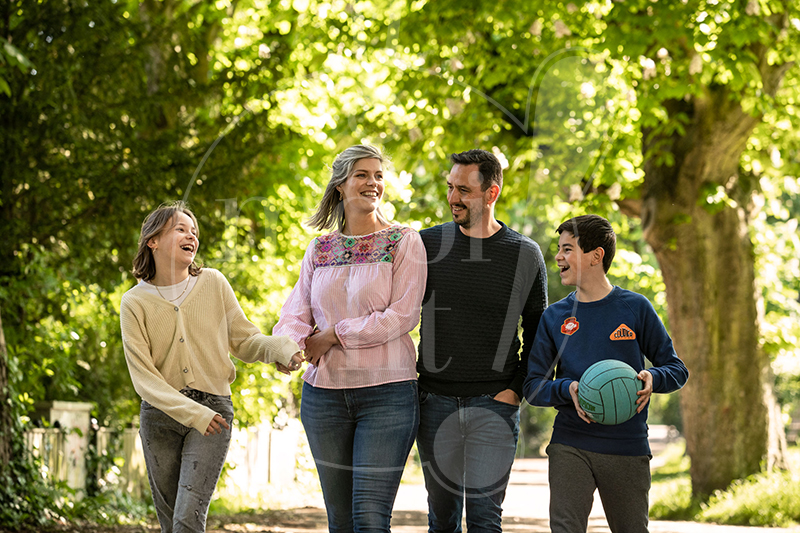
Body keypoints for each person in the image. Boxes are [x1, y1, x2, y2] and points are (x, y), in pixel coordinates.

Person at [120, 201, 303, 533]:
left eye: (194, 232)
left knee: (187, 519)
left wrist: (282, 347)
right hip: (160, 416)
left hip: (213, 413)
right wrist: (192, 413)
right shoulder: (134, 302)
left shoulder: (213, 283)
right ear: (153, 240)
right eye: (181, 229)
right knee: (170, 522)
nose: (192, 236)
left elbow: (246, 340)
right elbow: (144, 379)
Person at [274, 144, 427, 532]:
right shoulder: (320, 248)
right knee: (340, 520)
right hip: (323, 396)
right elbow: (296, 312)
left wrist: (335, 335)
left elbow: (403, 315)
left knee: (370, 518)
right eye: (362, 174)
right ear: (341, 185)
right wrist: (286, 347)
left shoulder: (403, 242)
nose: (372, 183)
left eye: (378, 175)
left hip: (388, 394)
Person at [523, 214, 689, 533]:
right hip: (570, 442)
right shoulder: (554, 317)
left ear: (596, 256)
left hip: (627, 447)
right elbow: (533, 386)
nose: (558, 256)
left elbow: (676, 369)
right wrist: (567, 389)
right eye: (559, 249)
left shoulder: (635, 308)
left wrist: (653, 379)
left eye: (568, 249)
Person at [416, 149, 548, 533]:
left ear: (491, 194)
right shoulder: (426, 245)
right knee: (441, 520)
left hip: (494, 405)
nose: (452, 198)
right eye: (450, 188)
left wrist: (515, 389)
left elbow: (540, 333)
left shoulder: (525, 254)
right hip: (434, 403)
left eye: (463, 190)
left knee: (485, 520)